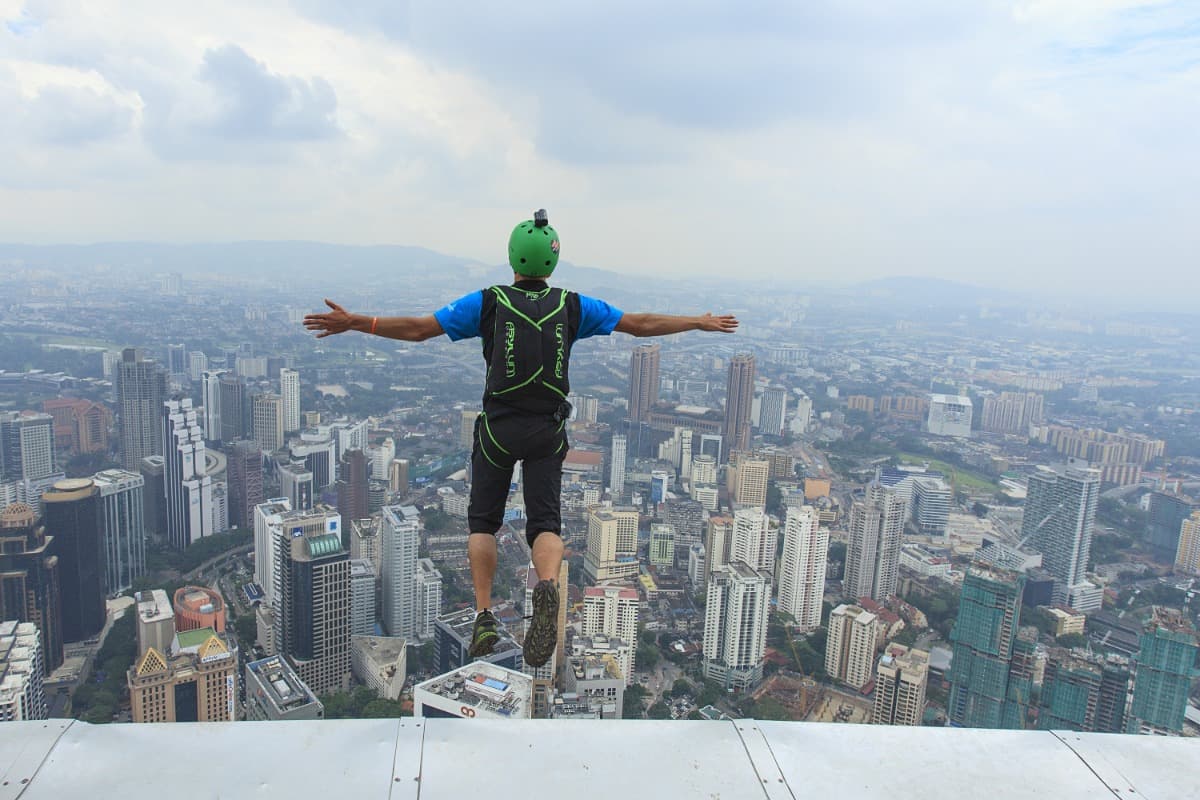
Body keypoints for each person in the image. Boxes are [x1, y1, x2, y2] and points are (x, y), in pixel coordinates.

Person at [304, 209, 737, 668]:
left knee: (483, 524)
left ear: (512, 257)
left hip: (497, 430)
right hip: (546, 430)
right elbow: (641, 324)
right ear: (552, 261)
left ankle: (486, 613)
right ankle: (546, 583)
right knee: (545, 522)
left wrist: (359, 322)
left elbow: (418, 329)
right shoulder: (573, 306)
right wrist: (696, 321)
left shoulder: (488, 302)